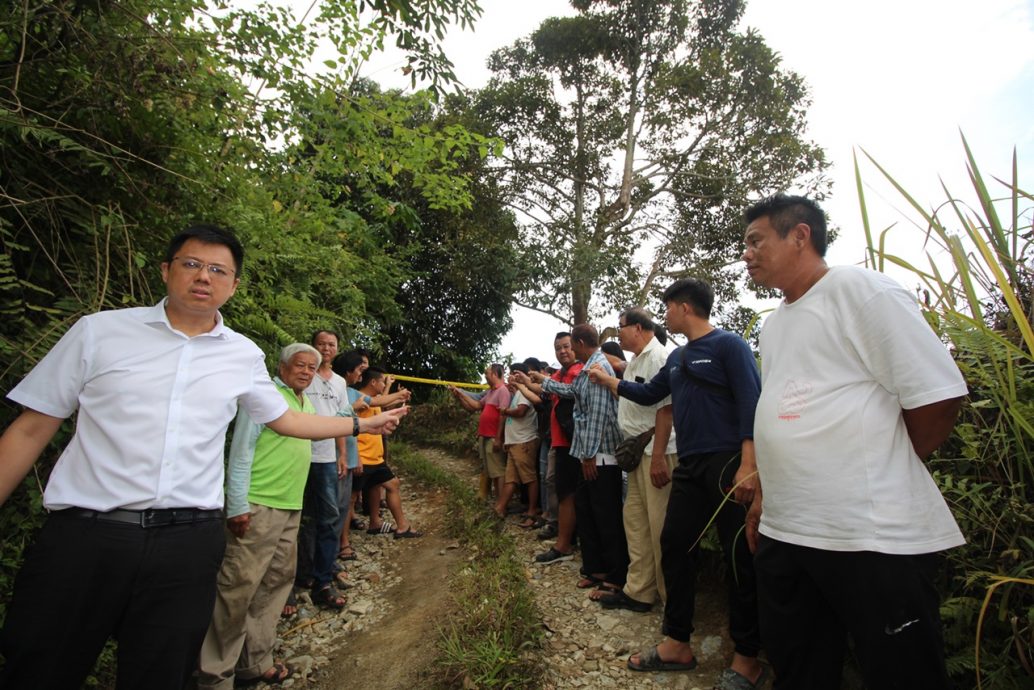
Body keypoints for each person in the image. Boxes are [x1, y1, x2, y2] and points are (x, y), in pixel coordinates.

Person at [0, 224, 406, 690]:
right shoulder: (99, 333)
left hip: (186, 543)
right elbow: (31, 428)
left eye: (218, 270)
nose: (203, 277)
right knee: (41, 665)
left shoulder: (241, 354)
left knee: (162, 671)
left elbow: (287, 421)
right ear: (166, 270)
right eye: (191, 264)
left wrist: (362, 423)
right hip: (86, 535)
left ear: (233, 286)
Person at [741, 194, 968, 690]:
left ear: (800, 235)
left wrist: (885, 463)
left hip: (869, 537)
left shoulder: (862, 291)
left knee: (901, 673)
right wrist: (763, 498)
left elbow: (937, 397)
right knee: (799, 667)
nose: (747, 254)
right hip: (787, 531)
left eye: (756, 241)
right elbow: (777, 410)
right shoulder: (773, 323)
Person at [589, 278, 763, 688]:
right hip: (690, 464)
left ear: (684, 307)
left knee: (738, 556)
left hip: (728, 463)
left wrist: (749, 465)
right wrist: (613, 382)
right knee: (674, 544)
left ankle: (747, 657)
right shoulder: (680, 358)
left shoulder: (728, 346)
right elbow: (651, 394)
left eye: (666, 308)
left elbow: (752, 402)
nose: (662, 316)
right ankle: (678, 641)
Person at [197, 343, 324, 689]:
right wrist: (236, 504)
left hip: (289, 507)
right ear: (282, 368)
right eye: (300, 365)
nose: (306, 372)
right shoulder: (264, 398)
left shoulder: (304, 401)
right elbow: (240, 452)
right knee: (237, 588)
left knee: (275, 583)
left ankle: (255, 661)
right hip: (258, 506)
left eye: (312, 368)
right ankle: (215, 676)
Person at [531, 325, 627, 596]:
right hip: (590, 454)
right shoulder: (589, 367)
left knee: (605, 516)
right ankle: (595, 568)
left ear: (581, 343)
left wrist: (588, 455)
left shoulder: (597, 368)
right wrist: (540, 381)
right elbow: (573, 392)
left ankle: (615, 576)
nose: (568, 350)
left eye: (571, 345)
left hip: (601, 456)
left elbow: (596, 415)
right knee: (587, 510)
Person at [594, 308, 677, 614]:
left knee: (659, 527)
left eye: (622, 327)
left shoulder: (659, 358)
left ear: (639, 328)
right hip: (638, 454)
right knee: (636, 522)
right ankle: (640, 591)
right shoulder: (635, 362)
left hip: (658, 452)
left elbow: (666, 410)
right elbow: (633, 403)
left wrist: (657, 459)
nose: (619, 333)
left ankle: (672, 602)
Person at [510, 333, 583, 563]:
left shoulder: (578, 371)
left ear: (576, 347)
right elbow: (544, 393)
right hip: (559, 441)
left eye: (566, 347)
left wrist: (537, 380)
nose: (562, 351)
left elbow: (562, 391)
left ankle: (564, 545)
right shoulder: (560, 374)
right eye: (558, 348)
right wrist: (525, 382)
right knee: (563, 492)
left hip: (573, 443)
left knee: (567, 494)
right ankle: (566, 540)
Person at [294, 330, 351, 603]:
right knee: (297, 518)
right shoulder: (303, 376)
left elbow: (341, 420)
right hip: (298, 455)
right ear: (312, 347)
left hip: (327, 458)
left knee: (328, 518)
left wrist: (342, 454)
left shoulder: (339, 383)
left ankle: (323, 579)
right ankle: (298, 577)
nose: (326, 349)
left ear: (337, 349)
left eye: (331, 345)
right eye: (321, 344)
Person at [354, 366, 421, 538]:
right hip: (363, 457)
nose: (384, 384)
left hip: (375, 458)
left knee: (391, 484)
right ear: (373, 382)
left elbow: (383, 405)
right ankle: (343, 544)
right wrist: (398, 395)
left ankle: (393, 525)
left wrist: (399, 409)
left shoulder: (374, 399)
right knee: (351, 500)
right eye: (383, 381)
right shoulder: (360, 400)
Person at [448, 364, 511, 500]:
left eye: (487, 373)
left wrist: (499, 438)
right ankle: (498, 501)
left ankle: (501, 503)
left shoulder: (503, 391)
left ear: (494, 374)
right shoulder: (491, 392)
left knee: (498, 471)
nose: (486, 375)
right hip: (486, 436)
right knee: (492, 471)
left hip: (493, 437)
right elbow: (476, 405)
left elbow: (503, 415)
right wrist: (460, 395)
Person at [494, 362, 540, 522]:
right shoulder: (517, 392)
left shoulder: (525, 392)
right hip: (515, 442)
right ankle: (499, 508)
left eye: (515, 373)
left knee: (529, 478)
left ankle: (532, 511)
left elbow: (521, 412)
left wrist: (505, 411)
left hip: (524, 441)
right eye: (511, 373)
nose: (511, 376)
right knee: (511, 478)